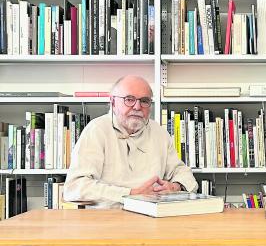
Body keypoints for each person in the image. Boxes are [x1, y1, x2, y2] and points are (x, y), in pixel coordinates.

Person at [64, 75, 198, 208]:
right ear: (113, 102)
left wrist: (174, 187)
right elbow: (75, 188)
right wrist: (131, 194)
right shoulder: (96, 130)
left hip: (153, 216)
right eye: (129, 99)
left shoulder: (159, 133)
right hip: (107, 218)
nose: (137, 107)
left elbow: (182, 172)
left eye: (144, 101)